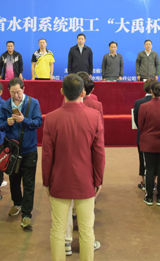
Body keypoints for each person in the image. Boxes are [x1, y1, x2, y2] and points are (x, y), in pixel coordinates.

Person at [42, 74, 105, 261]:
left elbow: (47, 156)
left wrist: (47, 181)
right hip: (85, 182)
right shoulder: (94, 117)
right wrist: (98, 180)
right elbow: (99, 153)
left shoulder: (51, 118)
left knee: (57, 230)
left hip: (59, 182)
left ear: (62, 91)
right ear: (83, 93)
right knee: (86, 231)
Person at [0, 78, 43, 230]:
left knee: (29, 183)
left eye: (18, 92)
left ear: (23, 89)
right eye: (13, 92)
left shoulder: (33, 103)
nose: (16, 95)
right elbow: (0, 125)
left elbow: (38, 122)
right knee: (14, 179)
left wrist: (24, 120)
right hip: (12, 151)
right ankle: (17, 203)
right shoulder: (5, 105)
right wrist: (7, 123)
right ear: (8, 91)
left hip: (29, 150)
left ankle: (27, 214)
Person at [139, 81, 160, 206]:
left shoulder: (144, 107)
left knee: (149, 168)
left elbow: (141, 125)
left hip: (148, 143)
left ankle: (148, 196)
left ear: (151, 91)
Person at [133, 80, 154, 191]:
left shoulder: (138, 102)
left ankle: (144, 182)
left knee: (142, 159)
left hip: (142, 135)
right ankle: (153, 182)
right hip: (156, 136)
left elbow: (136, 121)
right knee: (155, 160)